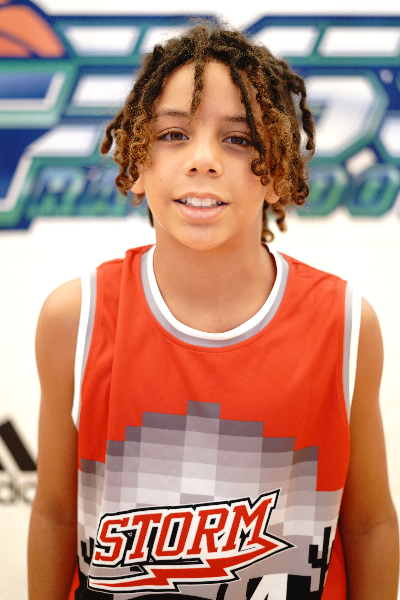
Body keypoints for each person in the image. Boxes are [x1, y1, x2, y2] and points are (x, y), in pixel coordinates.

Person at [28, 24, 398, 600]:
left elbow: (370, 524)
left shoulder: (345, 323)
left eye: (239, 139)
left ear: (278, 172)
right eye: (173, 134)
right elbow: (54, 513)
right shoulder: (75, 319)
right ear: (136, 162)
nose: (203, 160)